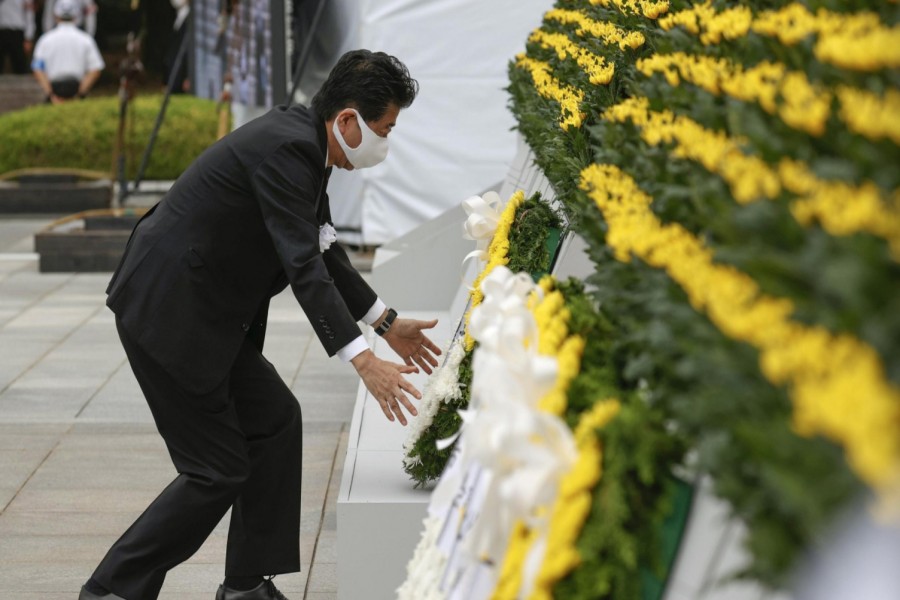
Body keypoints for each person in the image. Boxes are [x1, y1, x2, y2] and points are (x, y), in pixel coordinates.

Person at [78, 49, 442, 600]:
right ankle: (111, 591)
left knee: (274, 422)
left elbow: (322, 247)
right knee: (215, 469)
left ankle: (247, 586)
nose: (386, 144)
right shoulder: (289, 149)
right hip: (170, 310)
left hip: (207, 313)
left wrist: (384, 322)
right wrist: (362, 359)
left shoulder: (307, 146)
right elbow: (301, 265)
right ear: (348, 120)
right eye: (385, 129)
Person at [30, 0, 103, 102]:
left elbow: (37, 68)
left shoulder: (45, 40)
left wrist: (51, 94)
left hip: (53, 90)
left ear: (55, 15)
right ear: (76, 16)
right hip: (77, 88)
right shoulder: (86, 39)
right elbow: (96, 68)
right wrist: (80, 93)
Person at [0, 0, 35, 74]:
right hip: (2, 31)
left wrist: (28, 38)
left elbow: (30, 15)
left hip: (18, 32)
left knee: (19, 65)